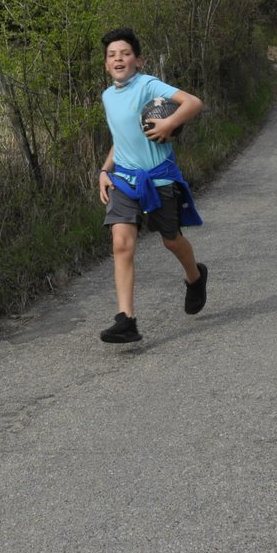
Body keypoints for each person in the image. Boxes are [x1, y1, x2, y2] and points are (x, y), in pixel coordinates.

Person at [95, 26, 209, 344]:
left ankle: (196, 277)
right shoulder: (107, 97)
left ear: (139, 60)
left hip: (158, 177)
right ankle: (126, 319)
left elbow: (193, 103)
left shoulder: (147, 85)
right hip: (125, 180)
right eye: (112, 55)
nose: (119, 59)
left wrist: (170, 123)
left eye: (125, 54)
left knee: (171, 241)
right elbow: (122, 140)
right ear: (106, 64)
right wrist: (105, 170)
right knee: (121, 242)